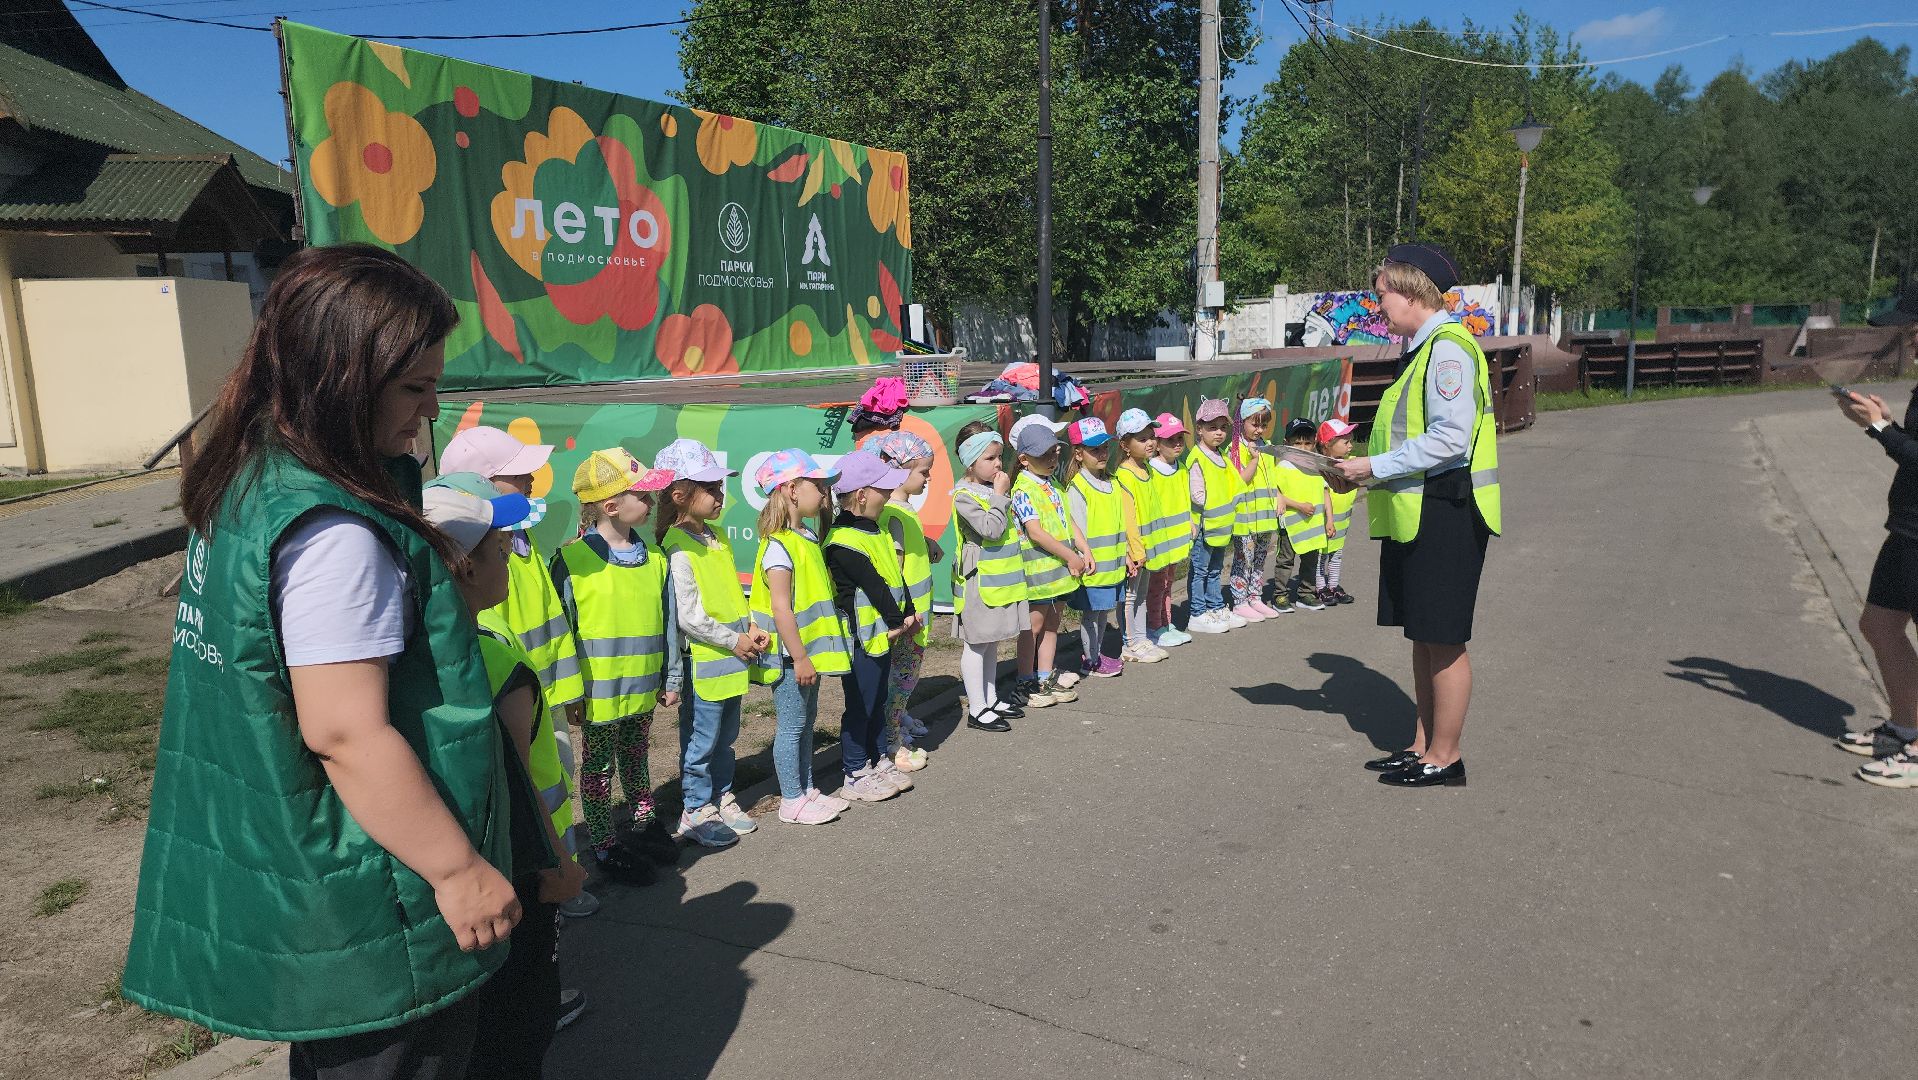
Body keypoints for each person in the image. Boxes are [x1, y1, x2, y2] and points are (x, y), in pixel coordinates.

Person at [124, 244, 524, 1077]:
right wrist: (458, 872)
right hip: (371, 878)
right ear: (341, 377)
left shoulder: (252, 473)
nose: (431, 407)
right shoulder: (336, 529)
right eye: (414, 387)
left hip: (299, 850)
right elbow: (344, 729)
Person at [422, 475, 583, 1078]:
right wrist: (559, 867)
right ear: (465, 566)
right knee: (518, 1027)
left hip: (457, 873)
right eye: (501, 549)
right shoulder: (495, 659)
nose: (512, 560)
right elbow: (516, 781)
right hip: (518, 875)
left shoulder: (418, 650)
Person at [1337, 242, 1501, 788]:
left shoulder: (1448, 350)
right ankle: (1421, 743)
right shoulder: (1423, 349)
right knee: (1423, 635)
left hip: (1447, 508)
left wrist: (1372, 467)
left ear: (1410, 291)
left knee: (1444, 637)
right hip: (1422, 509)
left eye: (1382, 295)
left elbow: (1450, 441)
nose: (1377, 307)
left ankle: (1446, 756)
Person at [439, 427, 599, 919]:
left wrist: (569, 688)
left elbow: (551, 621)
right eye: (517, 474)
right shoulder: (481, 556)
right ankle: (545, 883)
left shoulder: (517, 538)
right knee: (531, 794)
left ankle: (560, 874)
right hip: (515, 699)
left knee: (555, 791)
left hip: (542, 696)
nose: (531, 479)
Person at [550, 448, 681, 884]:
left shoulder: (656, 560)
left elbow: (667, 626)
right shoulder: (572, 561)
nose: (652, 502)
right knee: (598, 767)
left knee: (636, 756)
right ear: (611, 505)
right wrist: (570, 692)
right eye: (643, 495)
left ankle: (644, 823)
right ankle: (604, 844)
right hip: (598, 694)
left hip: (642, 688)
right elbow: (563, 630)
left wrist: (671, 677)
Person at [657, 438, 773, 845]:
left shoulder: (717, 537)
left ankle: (722, 796)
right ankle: (695, 808)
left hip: (732, 657)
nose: (720, 495)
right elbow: (689, 616)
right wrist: (734, 640)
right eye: (711, 488)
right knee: (701, 741)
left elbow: (729, 592)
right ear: (680, 496)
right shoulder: (676, 547)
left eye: (720, 487)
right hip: (707, 660)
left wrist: (752, 626)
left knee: (726, 738)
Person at [1836, 282, 1918, 786]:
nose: (1908, 338)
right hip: (1908, 527)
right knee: (1880, 625)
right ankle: (1905, 726)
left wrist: (1880, 431)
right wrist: (1886, 422)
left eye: (1911, 328)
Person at [747, 450, 855, 823]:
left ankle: (807, 789)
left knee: (806, 724)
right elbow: (781, 609)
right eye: (818, 486)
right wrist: (801, 657)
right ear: (792, 490)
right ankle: (791, 800)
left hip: (804, 655)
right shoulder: (778, 545)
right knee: (792, 726)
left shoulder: (805, 536)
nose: (825, 495)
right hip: (791, 658)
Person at [825, 450, 922, 800]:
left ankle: (878, 758)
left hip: (884, 634)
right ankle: (854, 771)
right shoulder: (842, 542)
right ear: (862, 495)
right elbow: (873, 586)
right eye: (882, 490)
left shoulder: (875, 530)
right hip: (861, 638)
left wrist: (907, 610)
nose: (888, 495)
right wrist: (899, 619)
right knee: (861, 704)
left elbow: (894, 576)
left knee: (879, 698)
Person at [948, 421, 1030, 731]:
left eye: (999, 457)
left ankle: (991, 697)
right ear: (970, 461)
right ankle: (977, 709)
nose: (997, 464)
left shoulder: (987, 490)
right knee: (977, 643)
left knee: (992, 641)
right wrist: (999, 495)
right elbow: (991, 530)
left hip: (999, 579)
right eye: (989, 458)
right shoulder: (964, 495)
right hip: (977, 581)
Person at [870, 431, 942, 773]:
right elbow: (895, 568)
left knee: (899, 680)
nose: (928, 478)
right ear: (899, 471)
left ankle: (895, 725)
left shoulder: (899, 511)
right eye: (923, 472)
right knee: (901, 679)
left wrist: (925, 543)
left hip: (910, 618)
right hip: (907, 621)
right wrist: (903, 616)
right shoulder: (895, 515)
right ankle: (892, 741)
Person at [1010, 422, 1086, 704]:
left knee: (1052, 626)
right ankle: (1025, 683)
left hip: (1060, 573)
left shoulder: (1053, 484)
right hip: (1039, 574)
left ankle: (1044, 679)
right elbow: (1035, 531)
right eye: (1045, 456)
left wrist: (1083, 548)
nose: (1053, 460)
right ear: (1024, 460)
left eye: (1055, 453)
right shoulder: (1022, 490)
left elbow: (1067, 520)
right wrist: (1070, 556)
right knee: (1033, 628)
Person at [1066, 417, 1128, 678]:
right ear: (1079, 454)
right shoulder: (1077, 488)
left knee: (1103, 614)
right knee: (1092, 615)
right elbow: (1076, 530)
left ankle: (1097, 653)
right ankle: (1090, 659)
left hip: (1113, 567)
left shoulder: (1112, 482)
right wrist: (1083, 558)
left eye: (1104, 447)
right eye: (1095, 450)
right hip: (1093, 570)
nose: (1102, 453)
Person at [1112, 409, 1169, 664]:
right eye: (1142, 438)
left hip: (1148, 548)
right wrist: (1135, 551)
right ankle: (1130, 643)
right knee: (1130, 597)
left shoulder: (1147, 470)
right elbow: (1129, 519)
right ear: (1125, 445)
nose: (1150, 442)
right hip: (1136, 551)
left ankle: (1141, 637)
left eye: (1151, 436)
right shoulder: (1124, 475)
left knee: (1141, 595)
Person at [1186, 399, 1244, 634]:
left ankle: (1215, 606)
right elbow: (1197, 494)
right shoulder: (1197, 458)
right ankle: (1197, 613)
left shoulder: (1222, 457)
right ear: (1199, 428)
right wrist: (1217, 503)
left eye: (1222, 427)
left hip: (1220, 525)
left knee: (1215, 569)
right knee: (1200, 570)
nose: (1219, 432)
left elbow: (1235, 485)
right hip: (1203, 526)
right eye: (1212, 427)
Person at [1227, 398, 1281, 623]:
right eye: (1254, 424)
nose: (1259, 430)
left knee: (1259, 558)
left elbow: (1272, 477)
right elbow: (1241, 481)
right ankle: (1239, 601)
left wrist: (1279, 497)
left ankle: (1254, 596)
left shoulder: (1265, 446)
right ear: (1242, 421)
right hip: (1246, 518)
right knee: (1244, 558)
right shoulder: (1235, 449)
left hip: (1264, 517)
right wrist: (1253, 459)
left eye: (1263, 425)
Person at [1146, 413, 1194, 648]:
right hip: (1159, 542)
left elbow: (1185, 500)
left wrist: (1191, 522)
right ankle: (1154, 626)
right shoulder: (1151, 472)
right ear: (1157, 444)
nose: (1177, 444)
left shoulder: (1181, 468)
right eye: (1170, 439)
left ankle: (1165, 622)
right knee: (1157, 586)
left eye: (1180, 439)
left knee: (1168, 584)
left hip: (1176, 541)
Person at [1275, 417, 1330, 612]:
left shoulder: (1317, 466)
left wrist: (1329, 520)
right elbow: (1277, 494)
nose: (1302, 448)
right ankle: (1280, 595)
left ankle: (1306, 593)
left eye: (1307, 443)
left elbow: (1325, 493)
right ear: (1286, 444)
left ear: (1314, 442)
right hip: (1290, 521)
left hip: (1313, 524)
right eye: (1297, 443)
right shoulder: (1282, 467)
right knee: (1285, 560)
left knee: (1310, 560)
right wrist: (1299, 506)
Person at [1315, 418, 1360, 606]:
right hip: (1325, 522)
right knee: (1321, 555)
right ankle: (1320, 587)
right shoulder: (1321, 468)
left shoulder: (1351, 465)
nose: (1350, 446)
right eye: (1345, 442)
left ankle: (1333, 585)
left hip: (1343, 521)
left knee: (1337, 554)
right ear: (1328, 445)